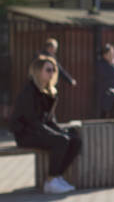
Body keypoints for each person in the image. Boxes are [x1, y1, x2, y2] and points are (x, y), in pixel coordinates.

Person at [10, 55, 81, 194]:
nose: (52, 73)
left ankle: (57, 176)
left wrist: (61, 131)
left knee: (75, 140)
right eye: (48, 70)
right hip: (26, 134)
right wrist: (55, 134)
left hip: (39, 131)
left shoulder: (49, 91)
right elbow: (32, 121)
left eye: (53, 70)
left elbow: (50, 120)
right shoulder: (29, 92)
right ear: (38, 72)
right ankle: (50, 181)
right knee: (61, 141)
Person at [95, 43, 114, 118]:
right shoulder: (102, 64)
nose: (112, 55)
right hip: (107, 94)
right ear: (105, 55)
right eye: (110, 53)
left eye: (113, 53)